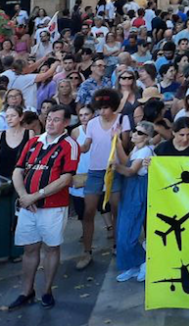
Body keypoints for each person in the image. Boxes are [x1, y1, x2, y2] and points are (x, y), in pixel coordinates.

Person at [8, 105, 78, 310]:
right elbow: (17, 171)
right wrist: (24, 196)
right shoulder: (33, 142)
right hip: (28, 206)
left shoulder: (69, 145)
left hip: (53, 207)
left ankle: (47, 291)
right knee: (29, 249)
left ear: (66, 123)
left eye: (56, 119)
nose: (50, 123)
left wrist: (35, 196)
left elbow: (66, 179)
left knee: (51, 248)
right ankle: (26, 291)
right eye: (49, 119)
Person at [77, 88, 131, 271]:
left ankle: (117, 245)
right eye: (100, 108)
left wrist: (118, 135)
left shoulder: (122, 119)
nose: (102, 111)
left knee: (116, 207)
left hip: (115, 169)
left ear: (113, 106)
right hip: (95, 170)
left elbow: (126, 144)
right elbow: (86, 145)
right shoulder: (92, 123)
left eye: (106, 107)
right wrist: (77, 148)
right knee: (89, 210)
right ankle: (87, 250)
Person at [112, 120, 153, 283]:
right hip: (129, 190)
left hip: (137, 192)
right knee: (123, 231)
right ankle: (133, 265)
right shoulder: (137, 149)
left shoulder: (146, 151)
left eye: (140, 132)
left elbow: (130, 171)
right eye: (135, 130)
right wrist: (116, 140)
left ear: (147, 137)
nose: (135, 134)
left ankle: (144, 261)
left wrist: (115, 167)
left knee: (128, 232)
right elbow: (125, 161)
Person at [0, 105, 32, 262]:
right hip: (2, 180)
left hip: (21, 180)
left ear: (21, 117)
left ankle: (16, 251)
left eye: (13, 115)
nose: (9, 119)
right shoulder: (0, 136)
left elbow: (32, 158)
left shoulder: (29, 134)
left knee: (18, 216)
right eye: (7, 116)